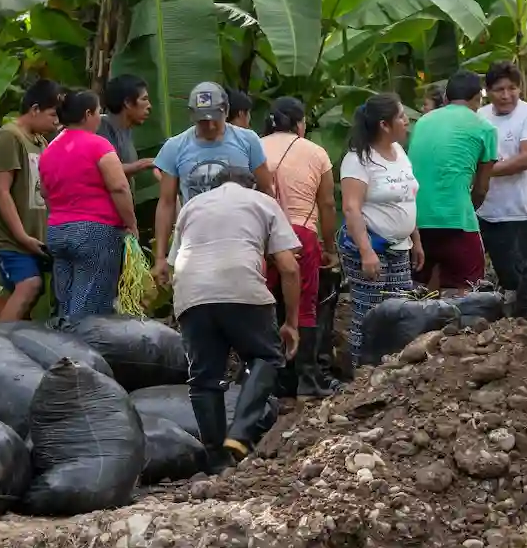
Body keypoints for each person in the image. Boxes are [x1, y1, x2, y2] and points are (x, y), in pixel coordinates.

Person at [174, 166, 302, 473]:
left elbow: (174, 260)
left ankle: (217, 460)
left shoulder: (192, 206)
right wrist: (292, 323)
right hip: (241, 288)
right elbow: (289, 267)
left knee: (205, 380)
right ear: (250, 184)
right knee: (268, 357)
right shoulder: (261, 201)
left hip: (191, 293)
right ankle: (241, 432)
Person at [152, 82, 274, 285]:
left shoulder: (247, 141)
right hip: (195, 241)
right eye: (202, 121)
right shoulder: (175, 147)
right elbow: (166, 203)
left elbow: (266, 190)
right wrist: (160, 258)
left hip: (241, 237)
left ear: (225, 111)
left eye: (214, 120)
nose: (209, 126)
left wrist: (272, 241)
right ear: (191, 115)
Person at [258, 96, 338, 397]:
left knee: (265, 303)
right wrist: (329, 248)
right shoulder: (315, 152)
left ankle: (269, 379)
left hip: (262, 234)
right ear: (299, 124)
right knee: (304, 305)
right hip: (300, 234)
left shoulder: (255, 147)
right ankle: (306, 378)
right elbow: (327, 203)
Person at [39, 90, 140, 319]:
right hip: (95, 231)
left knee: (66, 303)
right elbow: (120, 187)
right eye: (97, 112)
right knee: (90, 308)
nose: (99, 117)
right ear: (87, 114)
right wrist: (131, 224)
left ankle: (63, 349)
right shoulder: (98, 145)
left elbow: (45, 192)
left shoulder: (50, 150)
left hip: (58, 232)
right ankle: (84, 352)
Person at [337, 94, 422, 366]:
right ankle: (360, 371)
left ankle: (392, 368)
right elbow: (351, 208)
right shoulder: (359, 160)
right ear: (385, 125)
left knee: (401, 310)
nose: (406, 121)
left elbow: (407, 199)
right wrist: (366, 252)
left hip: (400, 245)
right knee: (369, 310)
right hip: (372, 246)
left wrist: (415, 239)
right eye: (401, 116)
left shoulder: (400, 153)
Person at [408, 69, 497, 292]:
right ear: (478, 99)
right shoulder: (485, 128)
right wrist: (467, 207)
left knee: (418, 290)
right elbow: (481, 189)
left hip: (415, 221)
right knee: (467, 292)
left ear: (446, 98)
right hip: (457, 220)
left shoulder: (423, 122)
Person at [0, 79, 61, 322]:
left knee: (22, 296)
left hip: (34, 236)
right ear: (34, 109)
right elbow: (0, 189)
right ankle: (0, 345)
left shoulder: (40, 142)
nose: (56, 121)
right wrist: (21, 236)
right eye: (52, 115)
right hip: (9, 237)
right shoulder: (10, 137)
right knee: (30, 284)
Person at [477, 61, 527, 290]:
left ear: (520, 88)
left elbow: (526, 159)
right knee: (483, 277)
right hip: (483, 210)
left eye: (512, 88)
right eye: (499, 89)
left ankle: (524, 322)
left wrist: (483, 171)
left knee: (521, 279)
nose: (506, 95)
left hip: (518, 212)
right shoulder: (479, 116)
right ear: (488, 91)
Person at [96, 74, 155, 185]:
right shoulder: (101, 127)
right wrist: (145, 163)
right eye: (144, 99)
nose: (149, 106)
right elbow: (106, 171)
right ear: (127, 103)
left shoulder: (126, 130)